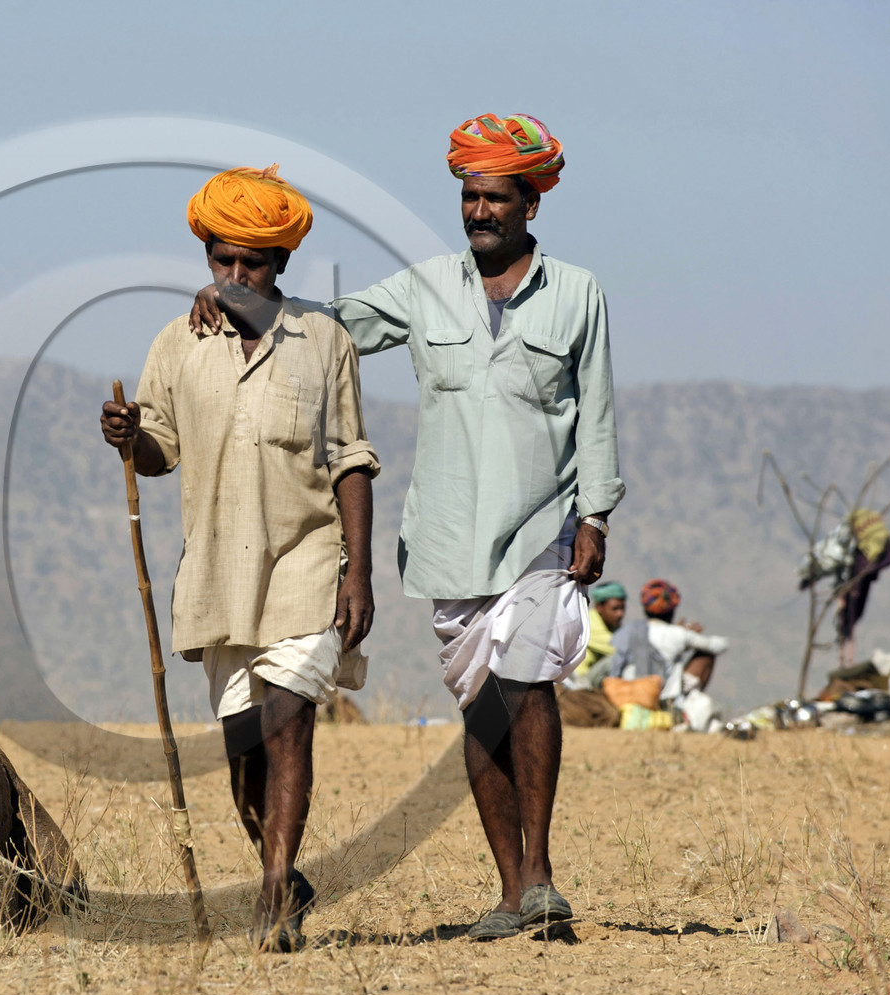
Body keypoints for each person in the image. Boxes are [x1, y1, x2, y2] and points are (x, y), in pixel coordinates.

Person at [189, 114, 622, 940]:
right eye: (469, 196)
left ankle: (540, 873)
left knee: (528, 680)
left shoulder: (577, 294)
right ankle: (509, 892)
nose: (479, 211)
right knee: (482, 705)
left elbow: (596, 410)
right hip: (449, 532)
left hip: (543, 524)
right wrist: (240, 296)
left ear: (530, 203)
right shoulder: (425, 288)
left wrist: (595, 513)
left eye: (495, 197)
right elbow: (329, 324)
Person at [100, 165, 379, 952]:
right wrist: (129, 436)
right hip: (219, 572)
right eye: (221, 259)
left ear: (280, 262)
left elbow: (351, 459)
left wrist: (358, 571)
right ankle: (281, 871)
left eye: (251, 262)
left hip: (305, 560)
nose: (234, 275)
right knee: (244, 755)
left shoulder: (324, 341)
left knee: (291, 721)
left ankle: (273, 892)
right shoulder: (178, 343)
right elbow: (159, 453)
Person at [631, 579, 728, 731]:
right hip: (669, 701)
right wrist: (686, 638)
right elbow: (720, 645)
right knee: (706, 654)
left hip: (636, 696)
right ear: (672, 609)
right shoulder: (678, 634)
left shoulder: (632, 634)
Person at [571, 582, 626, 688]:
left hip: (595, 675)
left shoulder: (613, 626)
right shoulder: (589, 623)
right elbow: (619, 650)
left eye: (622, 608)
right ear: (599, 607)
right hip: (580, 679)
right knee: (616, 660)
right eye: (615, 609)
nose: (620, 614)